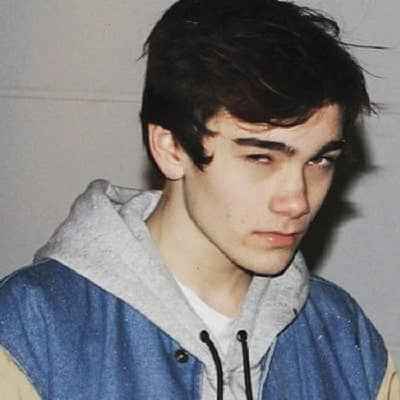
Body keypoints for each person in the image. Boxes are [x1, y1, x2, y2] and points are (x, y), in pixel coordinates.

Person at [0, 0, 398, 399]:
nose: (297, 202)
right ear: (170, 148)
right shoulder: (31, 330)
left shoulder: (344, 335)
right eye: (260, 158)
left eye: (320, 160)